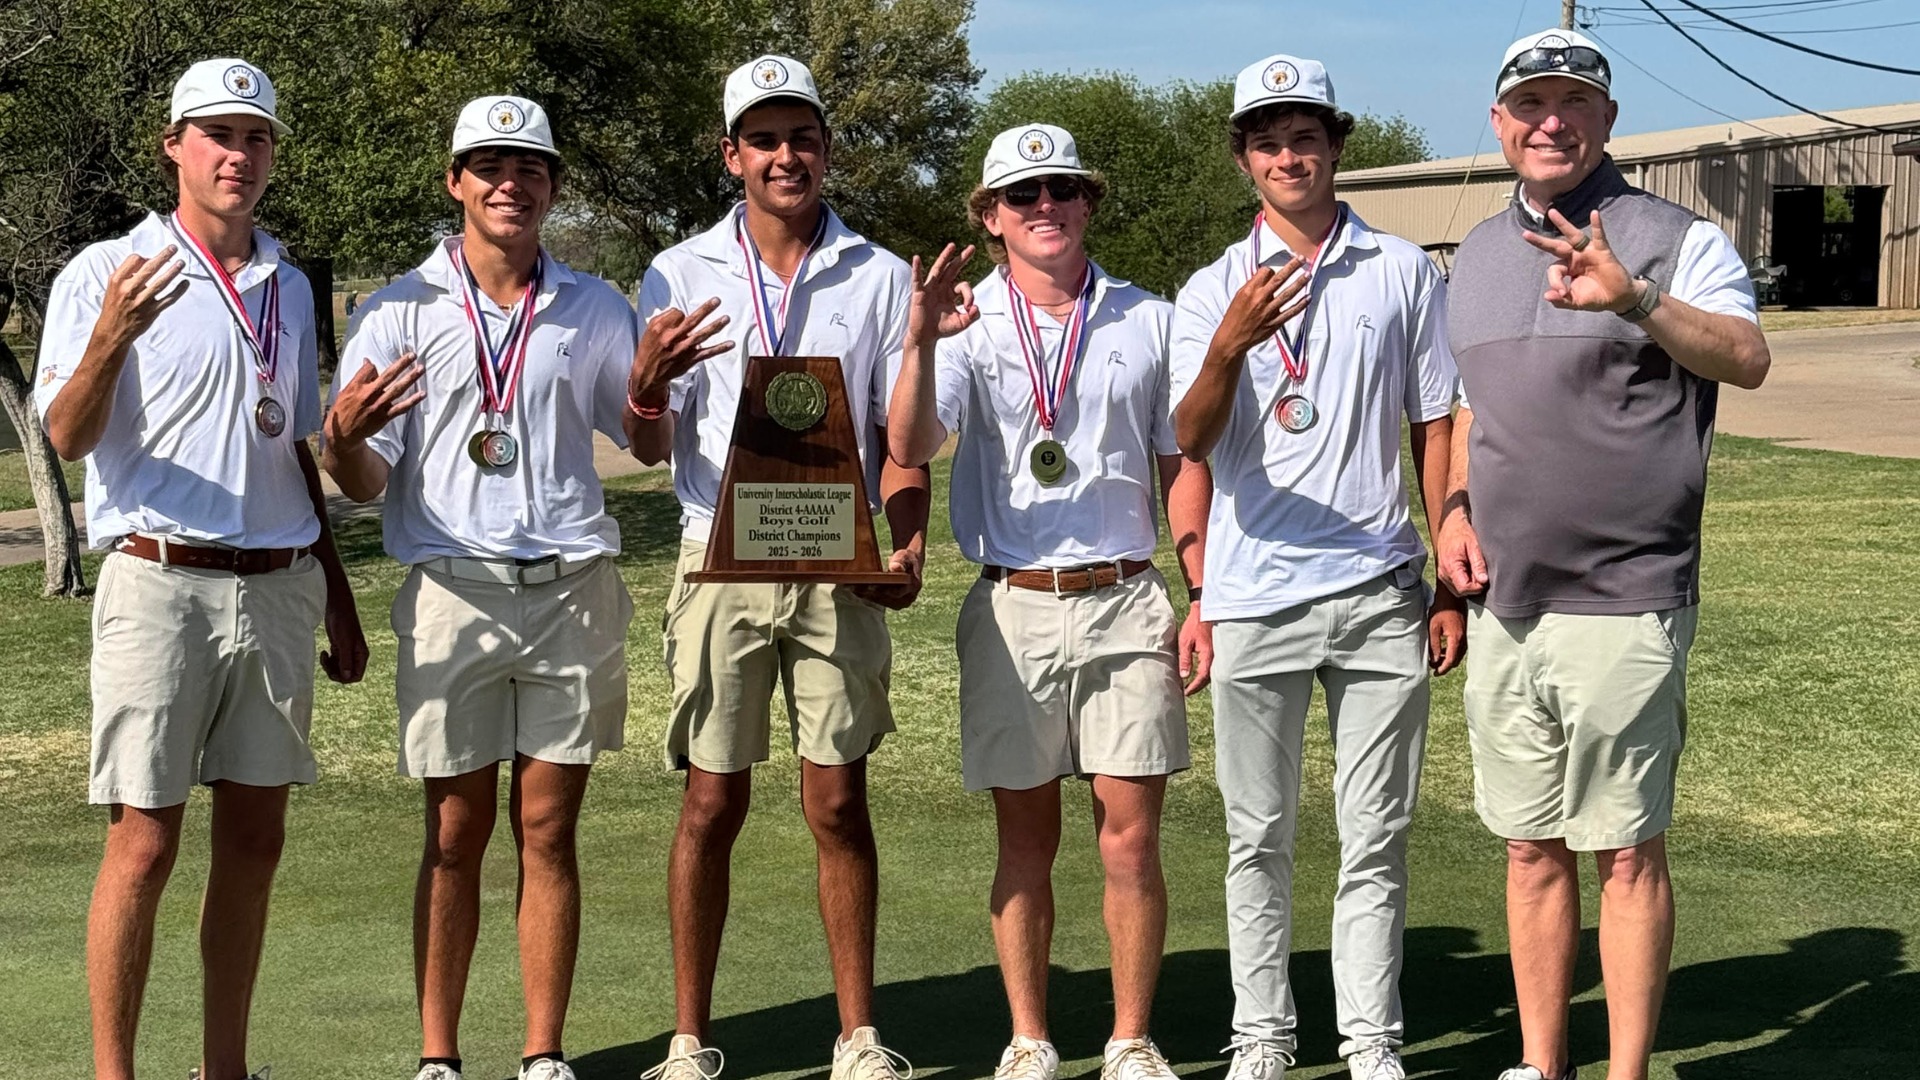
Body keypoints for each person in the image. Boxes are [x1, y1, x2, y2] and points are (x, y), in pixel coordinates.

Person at [1433, 29, 1770, 1080]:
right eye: (1530, 104)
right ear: (1499, 125)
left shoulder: (1677, 238)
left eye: (1573, 103)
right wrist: (1448, 505)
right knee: (1530, 850)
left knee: (1626, 849)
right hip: (1508, 608)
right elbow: (1465, 410)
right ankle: (1545, 1064)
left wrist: (1634, 299)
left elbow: (1747, 360)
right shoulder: (1477, 257)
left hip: (1626, 599)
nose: (1551, 121)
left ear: (1607, 121)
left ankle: (1623, 1072)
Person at [35, 57, 366, 1080]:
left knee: (256, 842)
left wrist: (341, 595)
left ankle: (226, 1068)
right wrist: (108, 341)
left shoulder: (290, 283)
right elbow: (67, 433)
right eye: (218, 135)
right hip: (159, 580)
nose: (239, 154)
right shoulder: (108, 270)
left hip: (278, 583)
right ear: (174, 144)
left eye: (257, 137)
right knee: (144, 842)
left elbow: (296, 451)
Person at [321, 94, 645, 1080]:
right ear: (456, 181)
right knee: (455, 830)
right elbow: (368, 479)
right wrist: (338, 445)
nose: (512, 183)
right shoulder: (398, 312)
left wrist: (657, 391)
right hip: (452, 592)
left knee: (548, 825)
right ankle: (439, 1055)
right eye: (490, 166)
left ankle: (543, 1052)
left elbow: (646, 438)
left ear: (551, 185)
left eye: (531, 168)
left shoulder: (593, 306)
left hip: (569, 588)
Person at [888, 123, 1212, 1080]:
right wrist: (917, 342)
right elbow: (907, 441)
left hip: (1126, 597)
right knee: (1024, 836)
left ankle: (1130, 1038)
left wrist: (1201, 597)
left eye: (1063, 190)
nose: (1045, 208)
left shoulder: (1147, 319)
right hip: (1011, 604)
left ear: (1087, 202)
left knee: (1131, 833)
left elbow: (1179, 465)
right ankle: (1029, 1037)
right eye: (1021, 196)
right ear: (989, 217)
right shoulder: (962, 319)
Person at [627, 54, 927, 1080]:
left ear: (826, 151)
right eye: (764, 138)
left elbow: (901, 438)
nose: (785, 154)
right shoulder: (676, 273)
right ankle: (686, 1040)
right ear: (732, 156)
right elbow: (648, 443)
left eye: (802, 136)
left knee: (837, 799)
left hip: (836, 556)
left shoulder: (880, 276)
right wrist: (646, 389)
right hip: (719, 556)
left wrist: (911, 535)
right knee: (711, 800)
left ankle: (858, 1036)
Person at [1169, 53, 1464, 1080]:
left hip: (1383, 591)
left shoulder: (1401, 272)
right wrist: (1229, 347)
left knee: (1374, 837)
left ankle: (1371, 1040)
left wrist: (1446, 573)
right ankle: (1263, 1037)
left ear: (1337, 144)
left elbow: (1435, 426)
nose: (1288, 154)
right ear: (1244, 158)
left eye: (1306, 135)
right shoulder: (1211, 287)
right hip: (1254, 601)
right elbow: (1191, 439)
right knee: (1259, 838)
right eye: (1267, 138)